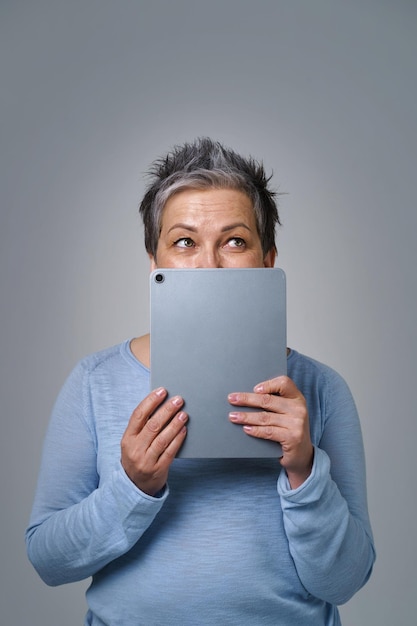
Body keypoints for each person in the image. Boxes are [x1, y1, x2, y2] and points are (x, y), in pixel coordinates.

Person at [26, 137, 375, 625]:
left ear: (267, 260)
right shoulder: (94, 382)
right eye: (184, 241)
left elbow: (344, 581)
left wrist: (305, 469)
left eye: (235, 241)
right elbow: (48, 560)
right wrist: (133, 487)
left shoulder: (321, 389)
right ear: (155, 263)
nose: (209, 264)